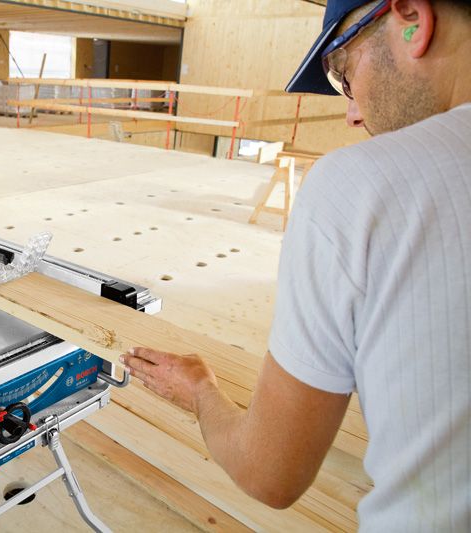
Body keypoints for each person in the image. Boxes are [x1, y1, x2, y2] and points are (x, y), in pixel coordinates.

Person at [120, 0, 471, 529]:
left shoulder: (359, 187)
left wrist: (200, 391)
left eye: (344, 73)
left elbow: (268, 473)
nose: (352, 112)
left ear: (411, 19)